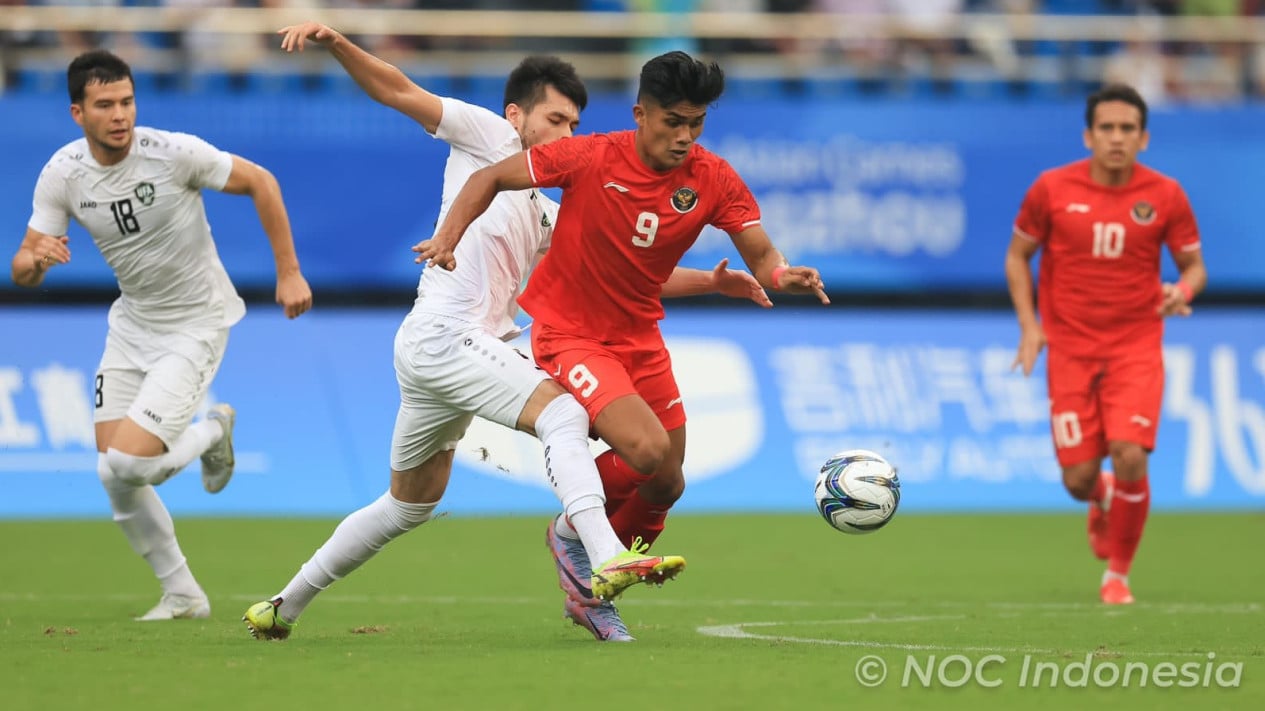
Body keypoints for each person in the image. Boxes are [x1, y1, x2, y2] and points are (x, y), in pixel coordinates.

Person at [244, 25, 770, 643]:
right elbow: (396, 90)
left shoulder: (545, 208)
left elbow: (625, 273)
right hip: (445, 337)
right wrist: (337, 44)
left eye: (575, 124)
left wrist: (713, 281)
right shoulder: (489, 136)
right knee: (564, 413)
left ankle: (281, 606)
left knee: (407, 505)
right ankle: (603, 556)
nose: (567, 134)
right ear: (517, 115)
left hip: (461, 353)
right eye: (556, 119)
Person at [414, 50, 829, 639]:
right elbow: (488, 178)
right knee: (646, 450)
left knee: (667, 481)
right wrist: (447, 239)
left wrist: (782, 275)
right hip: (571, 333)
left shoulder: (713, 177)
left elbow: (762, 256)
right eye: (673, 122)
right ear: (641, 114)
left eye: (696, 123)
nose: (685, 137)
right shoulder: (590, 156)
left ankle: (591, 588)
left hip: (639, 337)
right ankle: (574, 538)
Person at [11, 49, 313, 621]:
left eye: (127, 101)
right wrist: (38, 260)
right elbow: (23, 268)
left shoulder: (172, 154)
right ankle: (183, 595)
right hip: (132, 326)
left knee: (127, 464)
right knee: (113, 472)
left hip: (196, 324)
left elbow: (262, 182)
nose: (120, 115)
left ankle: (214, 431)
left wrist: (289, 271)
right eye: (105, 105)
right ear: (78, 113)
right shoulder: (63, 174)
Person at [1005, 83, 1207, 606]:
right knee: (1078, 479)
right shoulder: (1051, 188)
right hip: (1070, 349)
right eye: (1107, 128)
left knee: (1129, 453)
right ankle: (1103, 495)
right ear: (1088, 136)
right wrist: (1030, 325)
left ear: (1144, 138)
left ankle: (1117, 575)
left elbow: (1194, 267)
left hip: (1135, 345)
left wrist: (1181, 291)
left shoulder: (1166, 195)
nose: (1117, 138)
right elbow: (1017, 256)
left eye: (1127, 129)